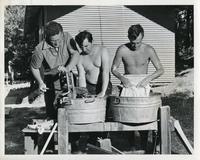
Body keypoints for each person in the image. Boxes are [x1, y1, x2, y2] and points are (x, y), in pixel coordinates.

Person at [111, 24, 164, 152]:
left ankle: (145, 145)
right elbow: (113, 69)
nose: (135, 46)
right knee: (128, 115)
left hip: (143, 82)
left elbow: (161, 69)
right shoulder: (122, 49)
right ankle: (132, 146)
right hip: (128, 81)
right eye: (133, 42)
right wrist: (122, 78)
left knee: (143, 116)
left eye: (138, 43)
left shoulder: (148, 49)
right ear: (129, 38)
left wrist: (148, 79)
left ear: (142, 37)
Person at [30, 21, 79, 119]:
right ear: (47, 37)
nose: (57, 43)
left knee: (73, 110)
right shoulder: (39, 49)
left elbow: (75, 53)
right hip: (51, 81)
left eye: (59, 39)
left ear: (62, 33)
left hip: (69, 78)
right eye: (53, 41)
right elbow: (34, 67)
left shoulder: (67, 36)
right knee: (54, 112)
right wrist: (40, 82)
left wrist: (67, 68)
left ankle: (73, 134)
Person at [75, 30, 112, 97]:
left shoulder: (102, 51)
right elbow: (81, 77)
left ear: (92, 42)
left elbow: (105, 72)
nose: (84, 49)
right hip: (90, 87)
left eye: (86, 46)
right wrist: (83, 92)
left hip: (104, 86)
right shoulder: (80, 57)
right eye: (81, 47)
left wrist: (103, 91)